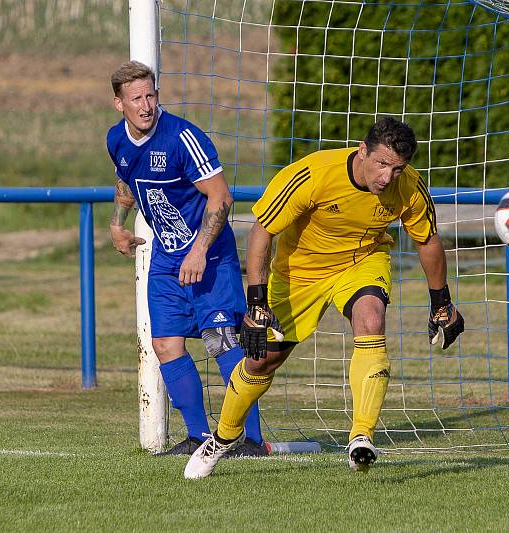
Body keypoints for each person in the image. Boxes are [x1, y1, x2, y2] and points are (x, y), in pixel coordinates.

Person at [184, 116, 464, 478]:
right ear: (362, 151)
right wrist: (256, 303)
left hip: (362, 261)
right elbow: (261, 232)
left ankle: (361, 436)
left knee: (371, 319)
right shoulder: (314, 174)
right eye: (381, 164)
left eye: (397, 169)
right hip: (299, 272)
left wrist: (441, 301)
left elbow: (427, 239)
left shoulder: (409, 186)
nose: (387, 177)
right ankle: (222, 439)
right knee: (260, 363)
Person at [106, 60, 263, 457]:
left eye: (151, 95)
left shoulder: (182, 137)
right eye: (136, 98)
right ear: (118, 104)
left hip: (209, 256)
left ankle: (251, 441)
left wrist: (198, 250)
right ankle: (198, 436)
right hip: (164, 257)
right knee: (164, 344)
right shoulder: (116, 139)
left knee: (223, 341)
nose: (145, 105)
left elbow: (221, 196)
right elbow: (125, 179)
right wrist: (117, 224)